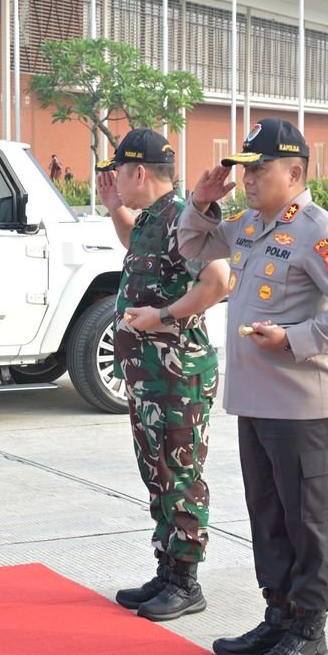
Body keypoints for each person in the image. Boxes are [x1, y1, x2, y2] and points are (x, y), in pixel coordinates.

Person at [178, 118, 328, 655]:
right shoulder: (246, 226)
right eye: (245, 169)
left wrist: (294, 339)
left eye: (259, 169)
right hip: (257, 403)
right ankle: (279, 614)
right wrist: (202, 201)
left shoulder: (318, 229)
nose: (248, 179)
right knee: (269, 519)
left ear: (295, 172)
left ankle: (310, 632)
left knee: (308, 523)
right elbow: (192, 243)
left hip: (305, 406)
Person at [96, 128, 229, 622]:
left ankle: (187, 580)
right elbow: (140, 244)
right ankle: (168, 569)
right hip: (149, 376)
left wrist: (164, 316)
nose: (112, 180)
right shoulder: (152, 218)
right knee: (156, 472)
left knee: (180, 473)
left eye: (117, 173)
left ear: (139, 172)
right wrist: (115, 210)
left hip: (178, 375)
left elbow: (217, 281)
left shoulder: (187, 219)